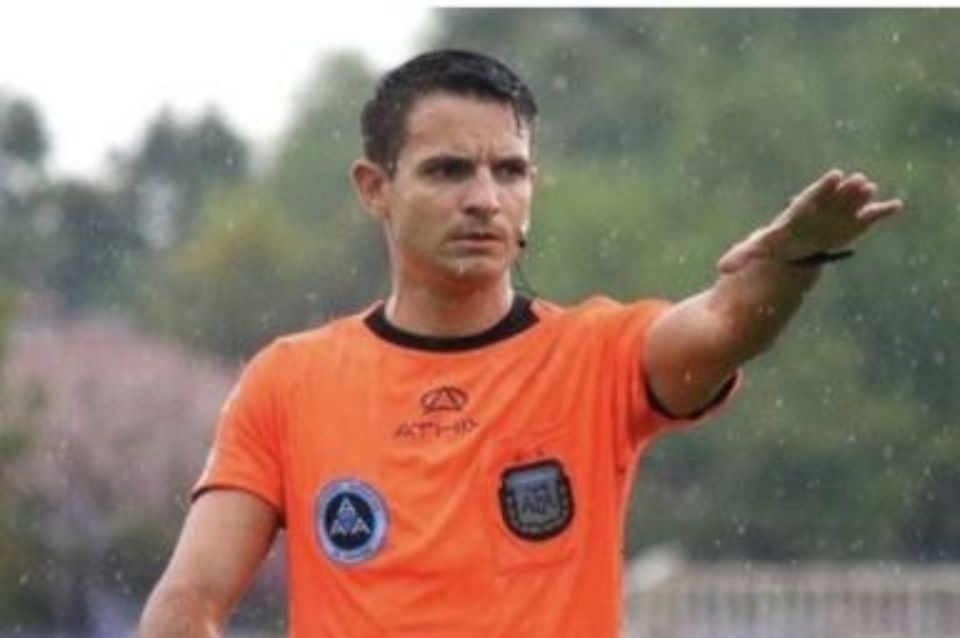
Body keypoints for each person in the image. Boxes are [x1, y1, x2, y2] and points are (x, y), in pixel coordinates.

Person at [137, 49, 903, 637]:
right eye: (447, 170)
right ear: (375, 188)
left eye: (509, 170)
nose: (484, 198)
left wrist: (795, 260)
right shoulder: (289, 380)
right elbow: (189, 599)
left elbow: (728, 323)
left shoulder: (597, 354)